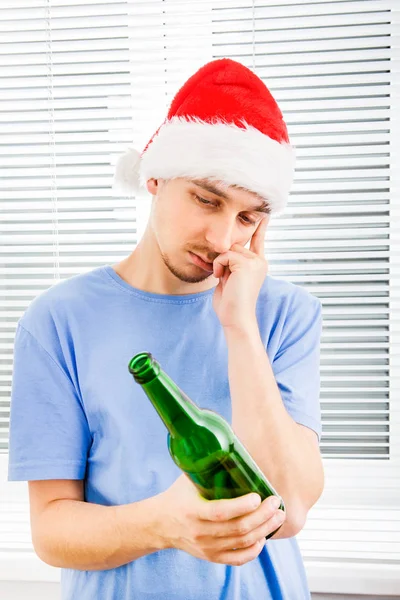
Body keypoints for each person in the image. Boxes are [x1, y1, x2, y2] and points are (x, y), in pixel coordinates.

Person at [8, 58, 324, 599]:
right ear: (155, 177)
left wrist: (239, 326)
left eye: (248, 217)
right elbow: (52, 531)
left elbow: (288, 510)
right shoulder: (58, 321)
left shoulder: (283, 314)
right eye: (207, 198)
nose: (224, 238)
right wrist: (164, 525)